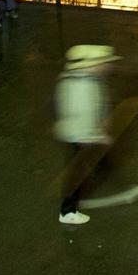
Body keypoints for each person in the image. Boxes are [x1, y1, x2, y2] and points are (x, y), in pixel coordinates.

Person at [56, 45, 117, 225]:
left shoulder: (82, 79)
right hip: (79, 136)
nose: (106, 67)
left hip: (79, 134)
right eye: (102, 64)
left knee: (79, 169)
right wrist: (95, 135)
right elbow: (84, 115)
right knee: (77, 174)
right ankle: (68, 212)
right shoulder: (83, 86)